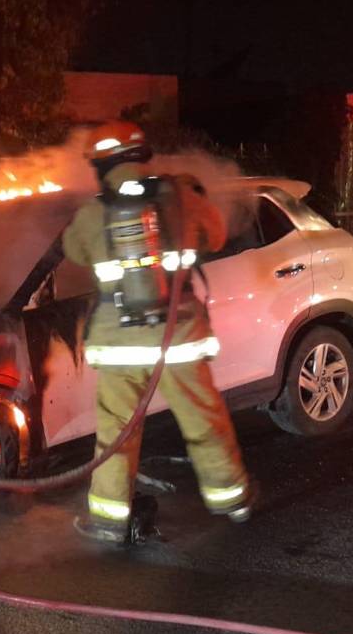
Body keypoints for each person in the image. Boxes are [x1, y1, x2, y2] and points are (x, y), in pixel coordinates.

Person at [61, 120, 254, 544]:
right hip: (178, 338)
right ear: (142, 154)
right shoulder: (181, 195)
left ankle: (110, 521)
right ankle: (231, 499)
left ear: (100, 165)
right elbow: (217, 235)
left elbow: (72, 250)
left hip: (120, 347)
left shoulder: (94, 212)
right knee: (203, 418)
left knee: (117, 432)